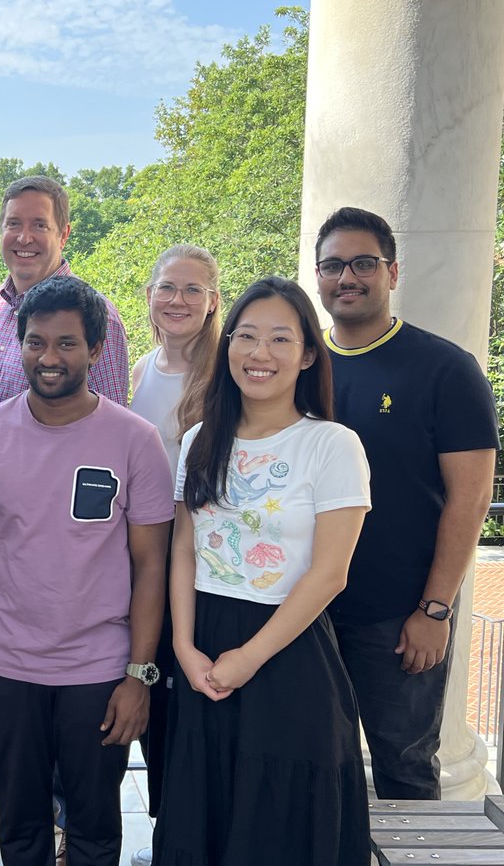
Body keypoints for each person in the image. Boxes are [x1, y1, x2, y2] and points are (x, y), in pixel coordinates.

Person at [0, 276, 173, 866]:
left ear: (96, 349)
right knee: (20, 826)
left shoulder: (136, 441)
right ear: (19, 344)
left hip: (100, 670)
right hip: (6, 667)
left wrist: (139, 676)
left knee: (94, 828)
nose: (49, 357)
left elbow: (151, 565)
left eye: (67, 343)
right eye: (36, 342)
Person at [152, 276, 372, 865]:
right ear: (227, 347)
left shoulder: (332, 445)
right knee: (206, 811)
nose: (260, 353)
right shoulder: (200, 439)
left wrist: (249, 658)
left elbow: (330, 573)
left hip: (287, 649)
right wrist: (183, 646)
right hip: (203, 647)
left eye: (280, 338)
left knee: (278, 825)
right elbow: (184, 548)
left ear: (307, 355)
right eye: (246, 336)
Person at [314, 207, 498, 799]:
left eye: (363, 263)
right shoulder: (298, 365)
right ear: (318, 277)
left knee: (405, 769)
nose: (347, 277)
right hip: (303, 610)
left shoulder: (445, 368)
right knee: (311, 765)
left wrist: (435, 610)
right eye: (333, 265)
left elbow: (471, 497)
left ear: (392, 272)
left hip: (397, 617)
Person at [126, 244, 221, 866]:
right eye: (167, 287)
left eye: (192, 289)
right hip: (145, 563)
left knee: (197, 706)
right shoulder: (141, 368)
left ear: (213, 300)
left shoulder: (227, 372)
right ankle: (170, 836)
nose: (177, 300)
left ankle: (201, 839)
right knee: (157, 705)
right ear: (150, 296)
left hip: (205, 569)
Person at [0, 175, 129, 405]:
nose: (24, 238)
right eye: (13, 224)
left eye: (40, 225)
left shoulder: (97, 315)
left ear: (63, 235)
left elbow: (110, 419)